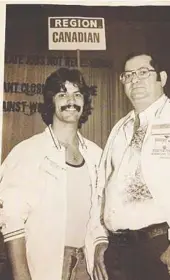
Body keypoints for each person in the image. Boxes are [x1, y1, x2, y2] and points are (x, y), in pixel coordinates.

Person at [86, 52, 170, 280]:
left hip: (164, 250)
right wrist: (100, 239)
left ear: (162, 78)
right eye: (128, 75)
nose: (135, 80)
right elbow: (102, 191)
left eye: (143, 73)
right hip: (118, 253)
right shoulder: (120, 129)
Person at [0, 67, 102, 280]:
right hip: (45, 265)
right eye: (62, 94)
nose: (71, 101)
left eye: (77, 94)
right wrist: (21, 275)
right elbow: (11, 219)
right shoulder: (27, 151)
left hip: (86, 264)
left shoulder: (95, 154)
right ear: (51, 102)